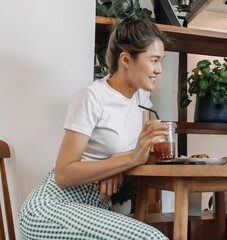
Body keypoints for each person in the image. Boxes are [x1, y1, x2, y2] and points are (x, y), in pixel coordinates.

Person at [18, 0, 169, 239]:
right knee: (151, 238)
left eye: (161, 60)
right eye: (154, 60)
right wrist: (124, 159)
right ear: (126, 60)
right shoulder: (92, 97)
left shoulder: (140, 97)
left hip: (90, 208)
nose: (160, 69)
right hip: (50, 208)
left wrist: (118, 162)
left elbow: (136, 155)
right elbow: (63, 173)